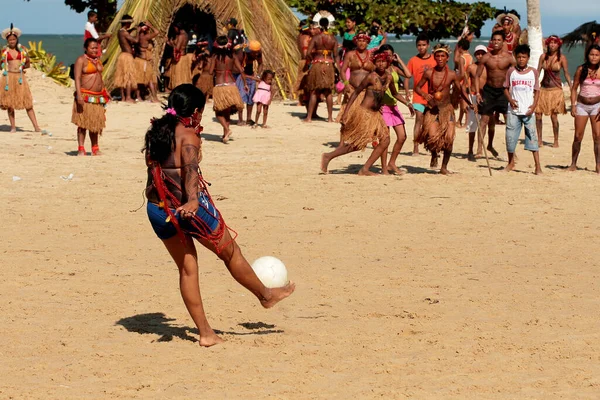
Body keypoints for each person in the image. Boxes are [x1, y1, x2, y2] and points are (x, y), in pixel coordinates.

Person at [143, 84, 295, 347]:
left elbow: (155, 171)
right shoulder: (188, 136)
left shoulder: (156, 131)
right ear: (196, 111)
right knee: (231, 252)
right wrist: (192, 200)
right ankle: (265, 295)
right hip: (189, 210)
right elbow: (190, 169)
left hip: (158, 210)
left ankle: (206, 334)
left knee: (188, 269)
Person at [321, 51, 408, 175]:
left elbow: (395, 94)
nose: (381, 64)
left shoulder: (388, 77)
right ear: (375, 63)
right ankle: (328, 156)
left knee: (385, 140)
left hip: (376, 114)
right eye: (378, 61)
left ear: (387, 62)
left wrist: (408, 104)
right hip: (365, 113)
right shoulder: (371, 77)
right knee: (357, 144)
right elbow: (356, 92)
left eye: (383, 61)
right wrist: (346, 112)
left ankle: (365, 169)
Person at [414, 44, 470, 175]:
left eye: (442, 56)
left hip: (446, 109)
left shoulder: (451, 74)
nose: (440, 58)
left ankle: (444, 167)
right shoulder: (428, 73)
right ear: (434, 57)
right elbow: (417, 87)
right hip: (432, 110)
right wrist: (425, 95)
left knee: (449, 139)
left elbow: (460, 89)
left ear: (447, 58)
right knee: (433, 138)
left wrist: (469, 103)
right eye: (437, 56)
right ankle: (434, 154)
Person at [475, 30, 515, 158]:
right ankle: (479, 150)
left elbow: (517, 73)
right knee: (484, 120)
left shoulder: (509, 57)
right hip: (489, 91)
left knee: (509, 121)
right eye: (494, 40)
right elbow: (477, 76)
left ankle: (511, 151)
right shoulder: (486, 57)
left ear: (503, 41)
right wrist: (477, 93)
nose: (496, 42)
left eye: (499, 40)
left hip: (503, 91)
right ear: (491, 41)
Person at [503, 44, 542, 174]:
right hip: (513, 111)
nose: (521, 59)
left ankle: (538, 166)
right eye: (519, 57)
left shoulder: (533, 72)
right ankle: (510, 163)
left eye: (523, 57)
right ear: (515, 57)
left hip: (528, 111)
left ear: (528, 58)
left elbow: (537, 91)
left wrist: (534, 106)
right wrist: (510, 100)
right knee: (510, 138)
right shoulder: (511, 72)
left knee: (532, 138)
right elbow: (505, 88)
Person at [378, 44, 414, 174]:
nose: (387, 57)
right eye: (384, 55)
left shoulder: (394, 69)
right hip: (382, 108)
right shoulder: (378, 71)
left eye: (390, 54)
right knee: (384, 139)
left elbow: (408, 75)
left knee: (402, 136)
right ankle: (383, 168)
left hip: (393, 106)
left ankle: (391, 163)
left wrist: (398, 60)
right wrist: (376, 105)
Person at [72, 38, 110, 156]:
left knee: (95, 123)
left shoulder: (97, 60)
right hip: (85, 95)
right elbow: (77, 78)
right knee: (83, 123)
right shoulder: (81, 60)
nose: (95, 50)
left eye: (96, 48)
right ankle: (81, 148)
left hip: (98, 96)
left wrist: (105, 90)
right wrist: (79, 95)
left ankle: (95, 148)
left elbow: (99, 76)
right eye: (92, 48)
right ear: (86, 48)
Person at [0, 24, 41, 133]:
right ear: (7, 41)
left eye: (14, 39)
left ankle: (36, 126)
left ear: (17, 39)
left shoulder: (22, 50)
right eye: (10, 40)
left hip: (20, 78)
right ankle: (13, 127)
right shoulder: (4, 51)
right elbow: (1, 64)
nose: (12, 41)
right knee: (10, 103)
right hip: (8, 78)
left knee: (27, 103)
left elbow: (27, 63)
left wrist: (21, 67)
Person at [568, 44, 600, 173]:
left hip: (597, 106)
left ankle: (598, 165)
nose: (594, 57)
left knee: (597, 136)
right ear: (587, 55)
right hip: (582, 105)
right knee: (578, 135)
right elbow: (574, 88)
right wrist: (573, 105)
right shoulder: (581, 69)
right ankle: (573, 163)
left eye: (597, 55)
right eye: (592, 54)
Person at [535, 35, 572, 148]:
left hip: (556, 90)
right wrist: (533, 84)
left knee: (554, 116)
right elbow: (538, 71)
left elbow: (566, 73)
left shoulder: (562, 58)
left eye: (554, 43)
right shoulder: (543, 57)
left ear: (558, 45)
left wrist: (571, 86)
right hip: (543, 89)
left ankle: (556, 140)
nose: (552, 45)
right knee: (538, 115)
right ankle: (539, 139)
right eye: (550, 43)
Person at [209, 36, 245, 143]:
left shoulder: (215, 57)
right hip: (231, 85)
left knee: (218, 112)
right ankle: (225, 136)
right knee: (227, 112)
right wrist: (245, 84)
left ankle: (227, 130)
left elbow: (210, 72)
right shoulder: (233, 56)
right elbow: (241, 70)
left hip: (220, 85)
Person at [405, 33, 437, 156]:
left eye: (424, 45)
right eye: (419, 45)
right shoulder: (413, 60)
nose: (421, 47)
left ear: (428, 45)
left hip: (432, 96)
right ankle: (415, 147)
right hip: (418, 95)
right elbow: (408, 76)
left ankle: (432, 146)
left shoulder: (434, 59)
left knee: (431, 122)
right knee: (419, 119)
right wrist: (407, 91)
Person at [304, 17, 339, 123]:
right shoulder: (333, 38)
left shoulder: (316, 38)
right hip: (329, 64)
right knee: (328, 92)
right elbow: (336, 55)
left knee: (314, 91)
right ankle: (329, 118)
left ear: (319, 25)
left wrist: (311, 59)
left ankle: (309, 118)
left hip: (317, 64)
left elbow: (308, 52)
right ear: (329, 25)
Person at [337, 32, 375, 123]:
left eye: (364, 41)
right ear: (356, 42)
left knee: (365, 119)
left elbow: (376, 73)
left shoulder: (372, 56)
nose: (362, 43)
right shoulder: (350, 54)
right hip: (352, 90)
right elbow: (342, 71)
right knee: (349, 118)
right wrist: (346, 84)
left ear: (367, 42)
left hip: (366, 92)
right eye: (359, 41)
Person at [465, 45, 488, 161]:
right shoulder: (471, 68)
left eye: (482, 53)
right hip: (473, 96)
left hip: (485, 97)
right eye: (478, 54)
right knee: (472, 124)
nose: (480, 56)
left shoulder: (489, 68)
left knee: (483, 123)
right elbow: (464, 84)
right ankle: (470, 149)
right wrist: (467, 100)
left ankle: (480, 149)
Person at [235, 40, 263, 126]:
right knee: (241, 99)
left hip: (251, 76)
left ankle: (248, 119)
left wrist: (258, 76)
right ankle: (240, 119)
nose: (255, 55)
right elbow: (241, 71)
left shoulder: (258, 53)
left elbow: (261, 64)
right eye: (254, 53)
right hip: (241, 77)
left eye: (256, 53)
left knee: (251, 99)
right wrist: (251, 79)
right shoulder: (241, 54)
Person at [115, 15, 138, 103]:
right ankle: (128, 97)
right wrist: (138, 32)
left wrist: (132, 30)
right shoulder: (124, 33)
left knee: (122, 77)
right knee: (128, 77)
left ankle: (123, 97)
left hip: (122, 56)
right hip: (127, 57)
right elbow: (135, 41)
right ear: (127, 23)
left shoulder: (120, 31)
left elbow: (126, 33)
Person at [135, 21, 159, 102]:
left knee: (139, 79)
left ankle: (139, 97)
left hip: (138, 60)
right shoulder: (145, 37)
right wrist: (151, 25)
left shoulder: (137, 36)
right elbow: (157, 32)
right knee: (150, 80)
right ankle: (154, 98)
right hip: (143, 62)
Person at [167, 23, 192, 90]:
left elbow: (177, 48)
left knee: (178, 75)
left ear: (178, 27)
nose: (174, 30)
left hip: (180, 58)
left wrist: (170, 43)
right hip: (184, 57)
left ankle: (178, 89)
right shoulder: (186, 34)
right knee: (183, 75)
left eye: (175, 28)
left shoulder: (181, 36)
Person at [454, 38, 473, 127]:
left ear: (460, 47)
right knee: (464, 101)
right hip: (469, 81)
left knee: (463, 103)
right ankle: (459, 120)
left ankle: (466, 122)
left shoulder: (462, 58)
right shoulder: (470, 57)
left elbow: (461, 73)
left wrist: (455, 80)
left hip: (463, 82)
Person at [293, 20, 312, 103]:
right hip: (306, 60)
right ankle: (303, 100)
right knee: (305, 80)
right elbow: (305, 52)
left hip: (302, 60)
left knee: (301, 80)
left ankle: (301, 100)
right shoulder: (305, 37)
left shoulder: (299, 36)